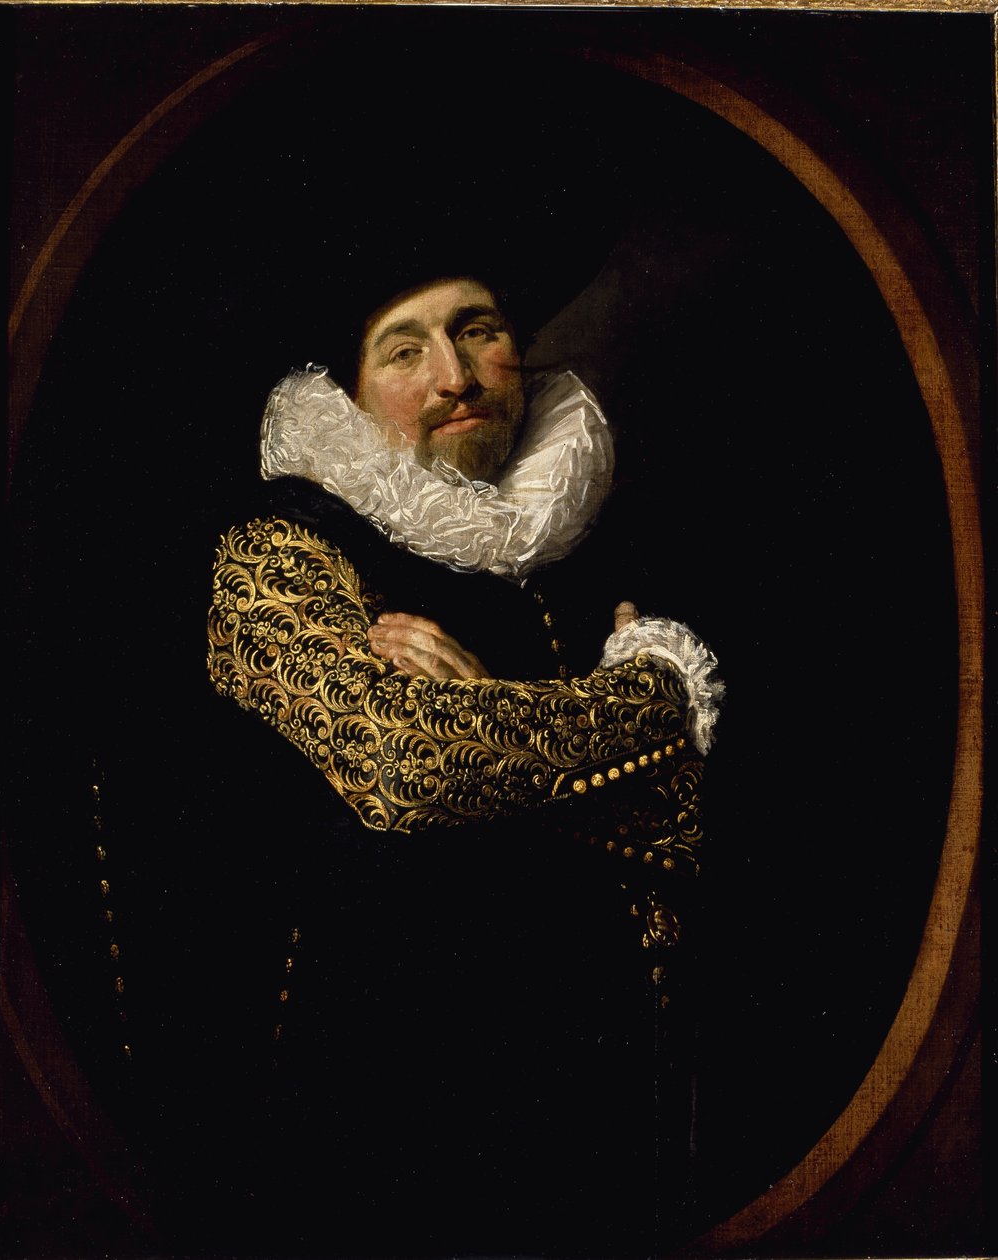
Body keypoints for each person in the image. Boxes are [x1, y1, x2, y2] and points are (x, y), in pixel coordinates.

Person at [203, 273, 722, 1259]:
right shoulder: (277, 548)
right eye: (405, 351)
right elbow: (404, 761)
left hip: (598, 1053)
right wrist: (653, 692)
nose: (454, 376)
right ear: (350, 395)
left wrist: (480, 711)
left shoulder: (599, 537)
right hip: (392, 1057)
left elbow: (692, 815)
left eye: (476, 331)